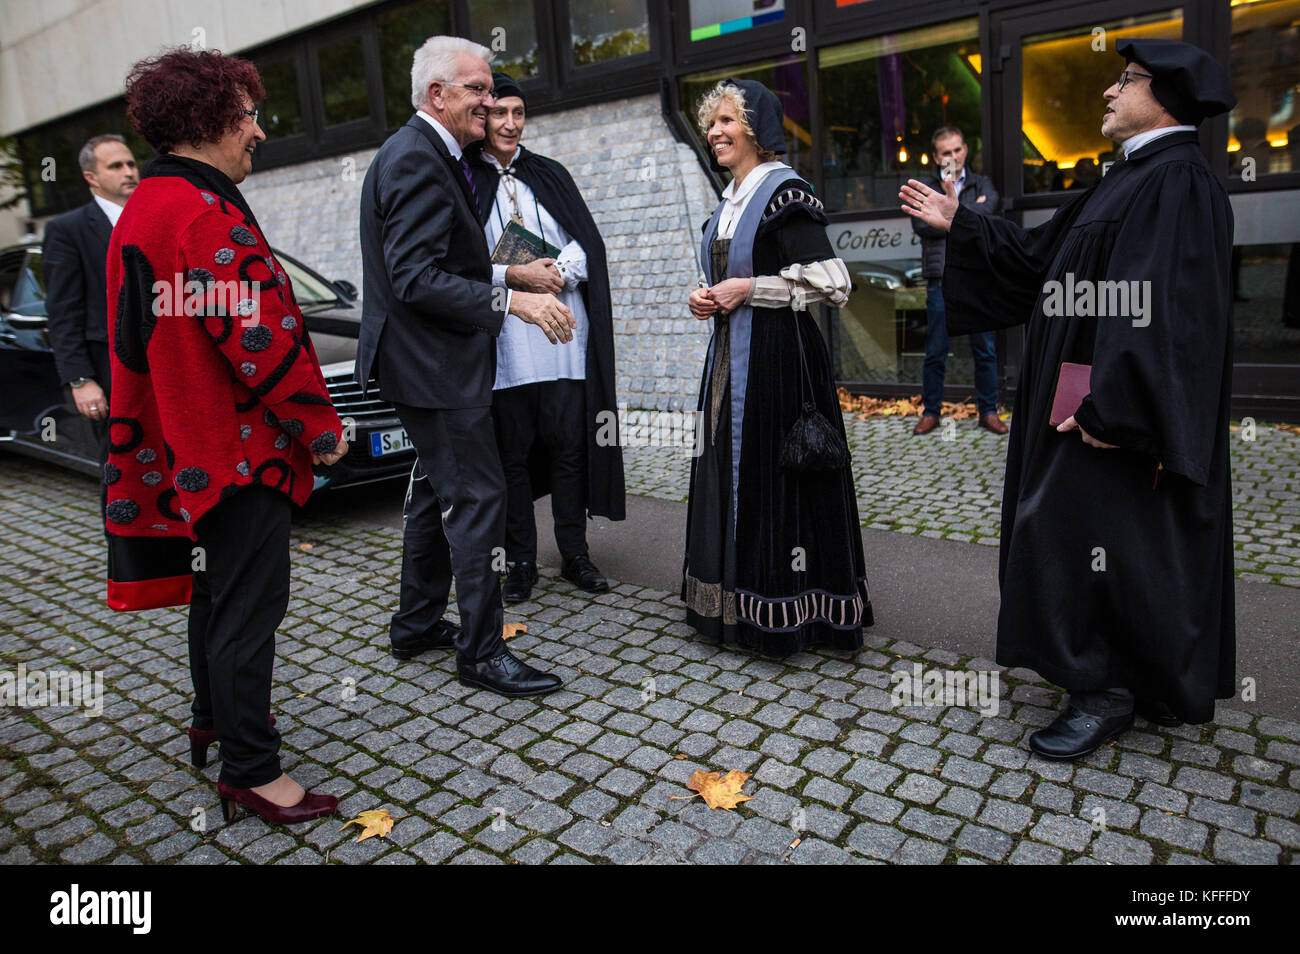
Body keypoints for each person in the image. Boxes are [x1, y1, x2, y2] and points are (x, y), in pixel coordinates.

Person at [901, 38, 1237, 759]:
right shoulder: (1123, 178)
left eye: (1126, 80)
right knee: (1105, 540)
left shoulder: (1177, 180)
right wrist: (961, 223)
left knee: (1102, 541)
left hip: (1108, 416)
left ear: (1166, 94)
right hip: (1081, 404)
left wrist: (1117, 405)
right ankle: (1135, 678)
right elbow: (1037, 261)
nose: (1110, 93)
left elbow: (1169, 308)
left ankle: (1106, 690)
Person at [109, 48, 349, 822]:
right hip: (235, 449)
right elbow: (259, 337)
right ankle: (252, 772)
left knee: (215, 597)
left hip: (191, 449)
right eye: (248, 114)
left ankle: (216, 720)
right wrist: (317, 426)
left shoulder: (148, 206)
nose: (258, 132)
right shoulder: (199, 214)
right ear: (209, 118)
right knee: (250, 606)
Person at [357, 37, 574, 696]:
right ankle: (482, 653)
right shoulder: (418, 160)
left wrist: (507, 270)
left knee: (432, 493)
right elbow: (417, 279)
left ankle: (417, 623)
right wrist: (515, 301)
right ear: (437, 95)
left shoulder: (426, 152)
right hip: (434, 368)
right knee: (479, 498)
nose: (490, 100)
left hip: (423, 364)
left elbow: (437, 261)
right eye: (478, 90)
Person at [682, 78, 872, 656]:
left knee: (777, 477)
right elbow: (729, 280)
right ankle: (732, 606)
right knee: (726, 469)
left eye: (726, 121)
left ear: (756, 129)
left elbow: (834, 282)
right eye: (710, 123)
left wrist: (751, 288)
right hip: (727, 363)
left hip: (779, 362)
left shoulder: (784, 191)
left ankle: (788, 612)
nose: (715, 132)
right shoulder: (729, 202)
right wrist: (706, 295)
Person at [465, 72, 625, 605]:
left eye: (518, 113)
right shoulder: (465, 181)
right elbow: (459, 269)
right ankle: (520, 563)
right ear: (482, 118)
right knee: (510, 459)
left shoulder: (548, 174)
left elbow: (587, 245)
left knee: (569, 452)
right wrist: (513, 276)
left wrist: (557, 271)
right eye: (499, 114)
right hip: (507, 347)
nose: (510, 123)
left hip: (562, 343)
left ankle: (575, 554)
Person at [43, 134, 139, 500]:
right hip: (110, 372)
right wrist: (81, 379)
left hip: (165, 368)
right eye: (116, 166)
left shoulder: (153, 218)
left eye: (131, 163)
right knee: (123, 475)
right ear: (91, 177)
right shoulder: (67, 230)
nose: (129, 172)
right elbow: (63, 312)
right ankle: (128, 553)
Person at [910, 126, 1005, 436]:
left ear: (965, 150)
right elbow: (924, 225)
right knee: (936, 350)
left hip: (978, 276)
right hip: (941, 278)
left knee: (985, 350)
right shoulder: (926, 186)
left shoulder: (983, 183)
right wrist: (967, 216)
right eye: (946, 152)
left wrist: (949, 217)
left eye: (957, 150)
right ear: (937, 156)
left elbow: (987, 218)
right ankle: (931, 412)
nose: (953, 156)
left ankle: (988, 412)